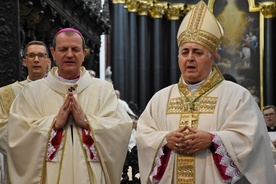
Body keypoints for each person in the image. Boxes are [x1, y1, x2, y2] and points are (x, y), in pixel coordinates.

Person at [136, 1, 276, 184]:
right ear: (178, 58)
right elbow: (144, 135)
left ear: (213, 57)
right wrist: (165, 139)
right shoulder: (160, 98)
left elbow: (252, 139)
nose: (190, 58)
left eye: (198, 52)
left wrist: (214, 139)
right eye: (185, 52)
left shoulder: (237, 96)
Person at [7, 28, 132, 184]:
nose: (69, 54)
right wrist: (53, 123)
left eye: (75, 49)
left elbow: (121, 128)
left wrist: (87, 122)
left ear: (84, 53)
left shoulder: (103, 90)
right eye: (63, 49)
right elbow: (17, 134)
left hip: (90, 175)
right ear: (53, 53)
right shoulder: (32, 92)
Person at [0, 40, 51, 184]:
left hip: (52, 160)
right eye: (31, 56)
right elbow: (2, 129)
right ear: (24, 61)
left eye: (41, 56)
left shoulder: (61, 92)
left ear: (48, 61)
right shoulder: (6, 93)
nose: (36, 60)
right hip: (19, 165)